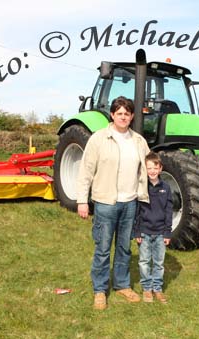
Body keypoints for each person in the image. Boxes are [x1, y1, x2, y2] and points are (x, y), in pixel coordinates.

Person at [76, 96, 150, 310]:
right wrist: (82, 200)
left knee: (124, 248)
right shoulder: (99, 139)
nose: (123, 117)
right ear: (112, 115)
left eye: (127, 114)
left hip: (130, 203)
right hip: (106, 202)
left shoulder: (138, 141)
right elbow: (86, 171)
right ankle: (100, 290)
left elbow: (147, 169)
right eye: (119, 113)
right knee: (102, 249)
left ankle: (122, 285)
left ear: (132, 116)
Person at [133, 151, 172, 304]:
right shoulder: (142, 187)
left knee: (158, 262)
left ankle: (157, 288)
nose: (152, 171)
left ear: (160, 168)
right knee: (144, 261)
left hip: (161, 233)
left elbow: (169, 211)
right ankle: (147, 289)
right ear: (145, 169)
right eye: (149, 168)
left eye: (155, 168)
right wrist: (137, 230)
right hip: (144, 232)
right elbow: (137, 210)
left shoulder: (166, 188)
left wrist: (167, 233)